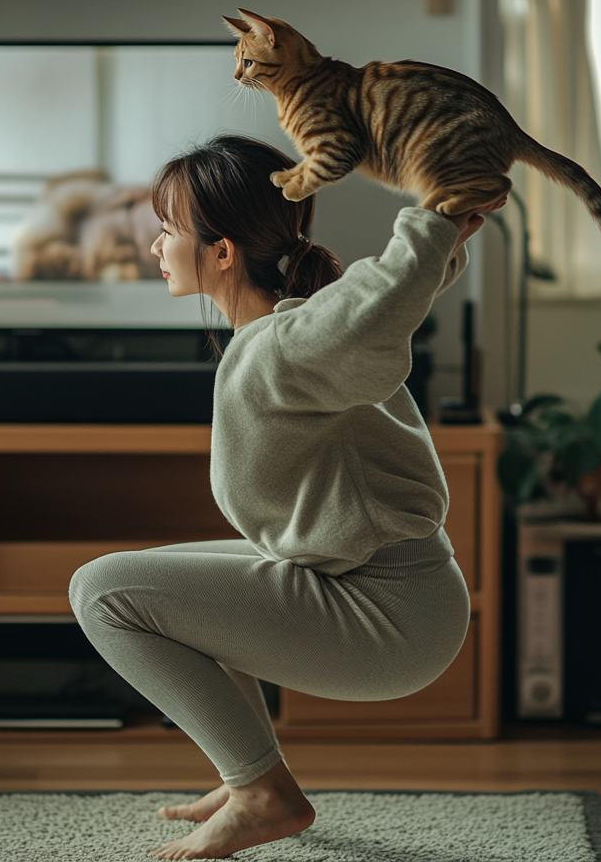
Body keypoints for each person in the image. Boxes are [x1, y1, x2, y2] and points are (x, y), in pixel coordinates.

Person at [69, 135, 506, 860]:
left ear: (223, 252)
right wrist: (443, 239)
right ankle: (247, 774)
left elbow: (376, 308)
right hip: (389, 590)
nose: (155, 246)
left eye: (169, 230)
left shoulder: (287, 343)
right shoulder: (295, 332)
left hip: (392, 615)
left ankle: (262, 792)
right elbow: (374, 308)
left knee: (102, 592)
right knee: (166, 585)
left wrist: (431, 228)